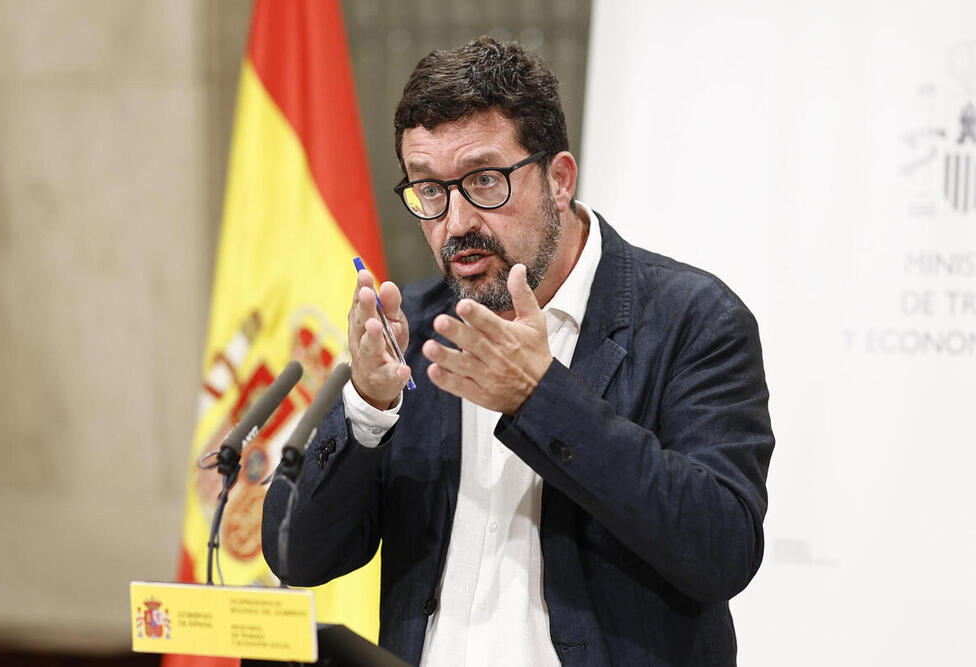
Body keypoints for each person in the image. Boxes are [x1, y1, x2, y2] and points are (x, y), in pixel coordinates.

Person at [263, 37, 773, 666]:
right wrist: (367, 408)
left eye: (483, 180)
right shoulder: (415, 332)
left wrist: (541, 397)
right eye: (428, 189)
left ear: (559, 179)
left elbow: (721, 547)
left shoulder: (692, 320)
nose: (454, 224)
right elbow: (299, 557)